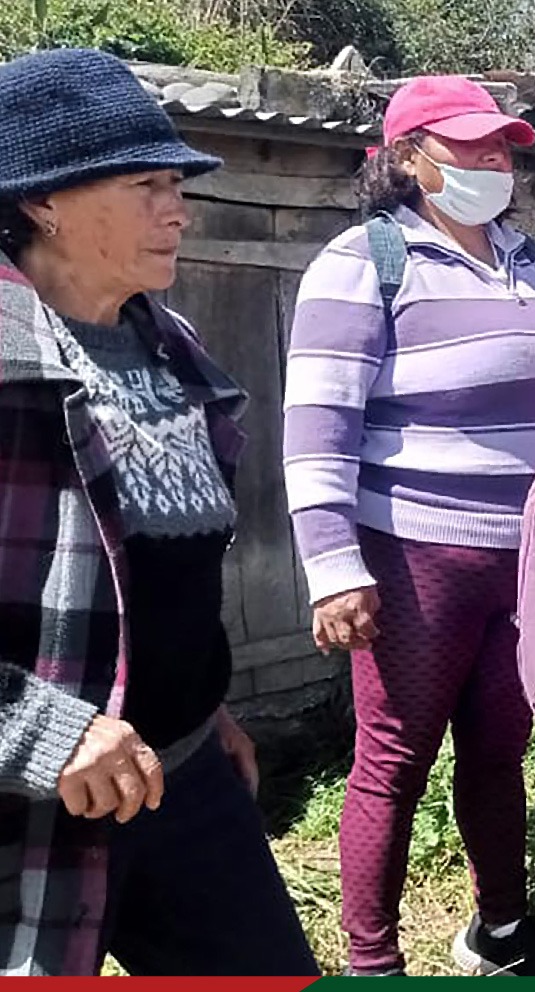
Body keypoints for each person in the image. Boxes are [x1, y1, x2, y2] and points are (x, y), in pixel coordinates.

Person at [0, 48, 316, 976]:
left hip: (178, 773)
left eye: (177, 183)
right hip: (29, 808)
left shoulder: (166, 344)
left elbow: (167, 578)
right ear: (40, 200)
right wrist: (42, 731)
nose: (176, 208)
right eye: (146, 183)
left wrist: (203, 704)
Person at [283, 77, 535, 976]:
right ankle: (373, 961)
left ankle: (497, 931)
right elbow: (317, 422)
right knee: (394, 759)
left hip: (521, 561)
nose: (495, 161)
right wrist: (332, 565)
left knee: (499, 751)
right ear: (408, 157)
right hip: (414, 558)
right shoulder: (366, 261)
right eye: (471, 146)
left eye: (502, 147)